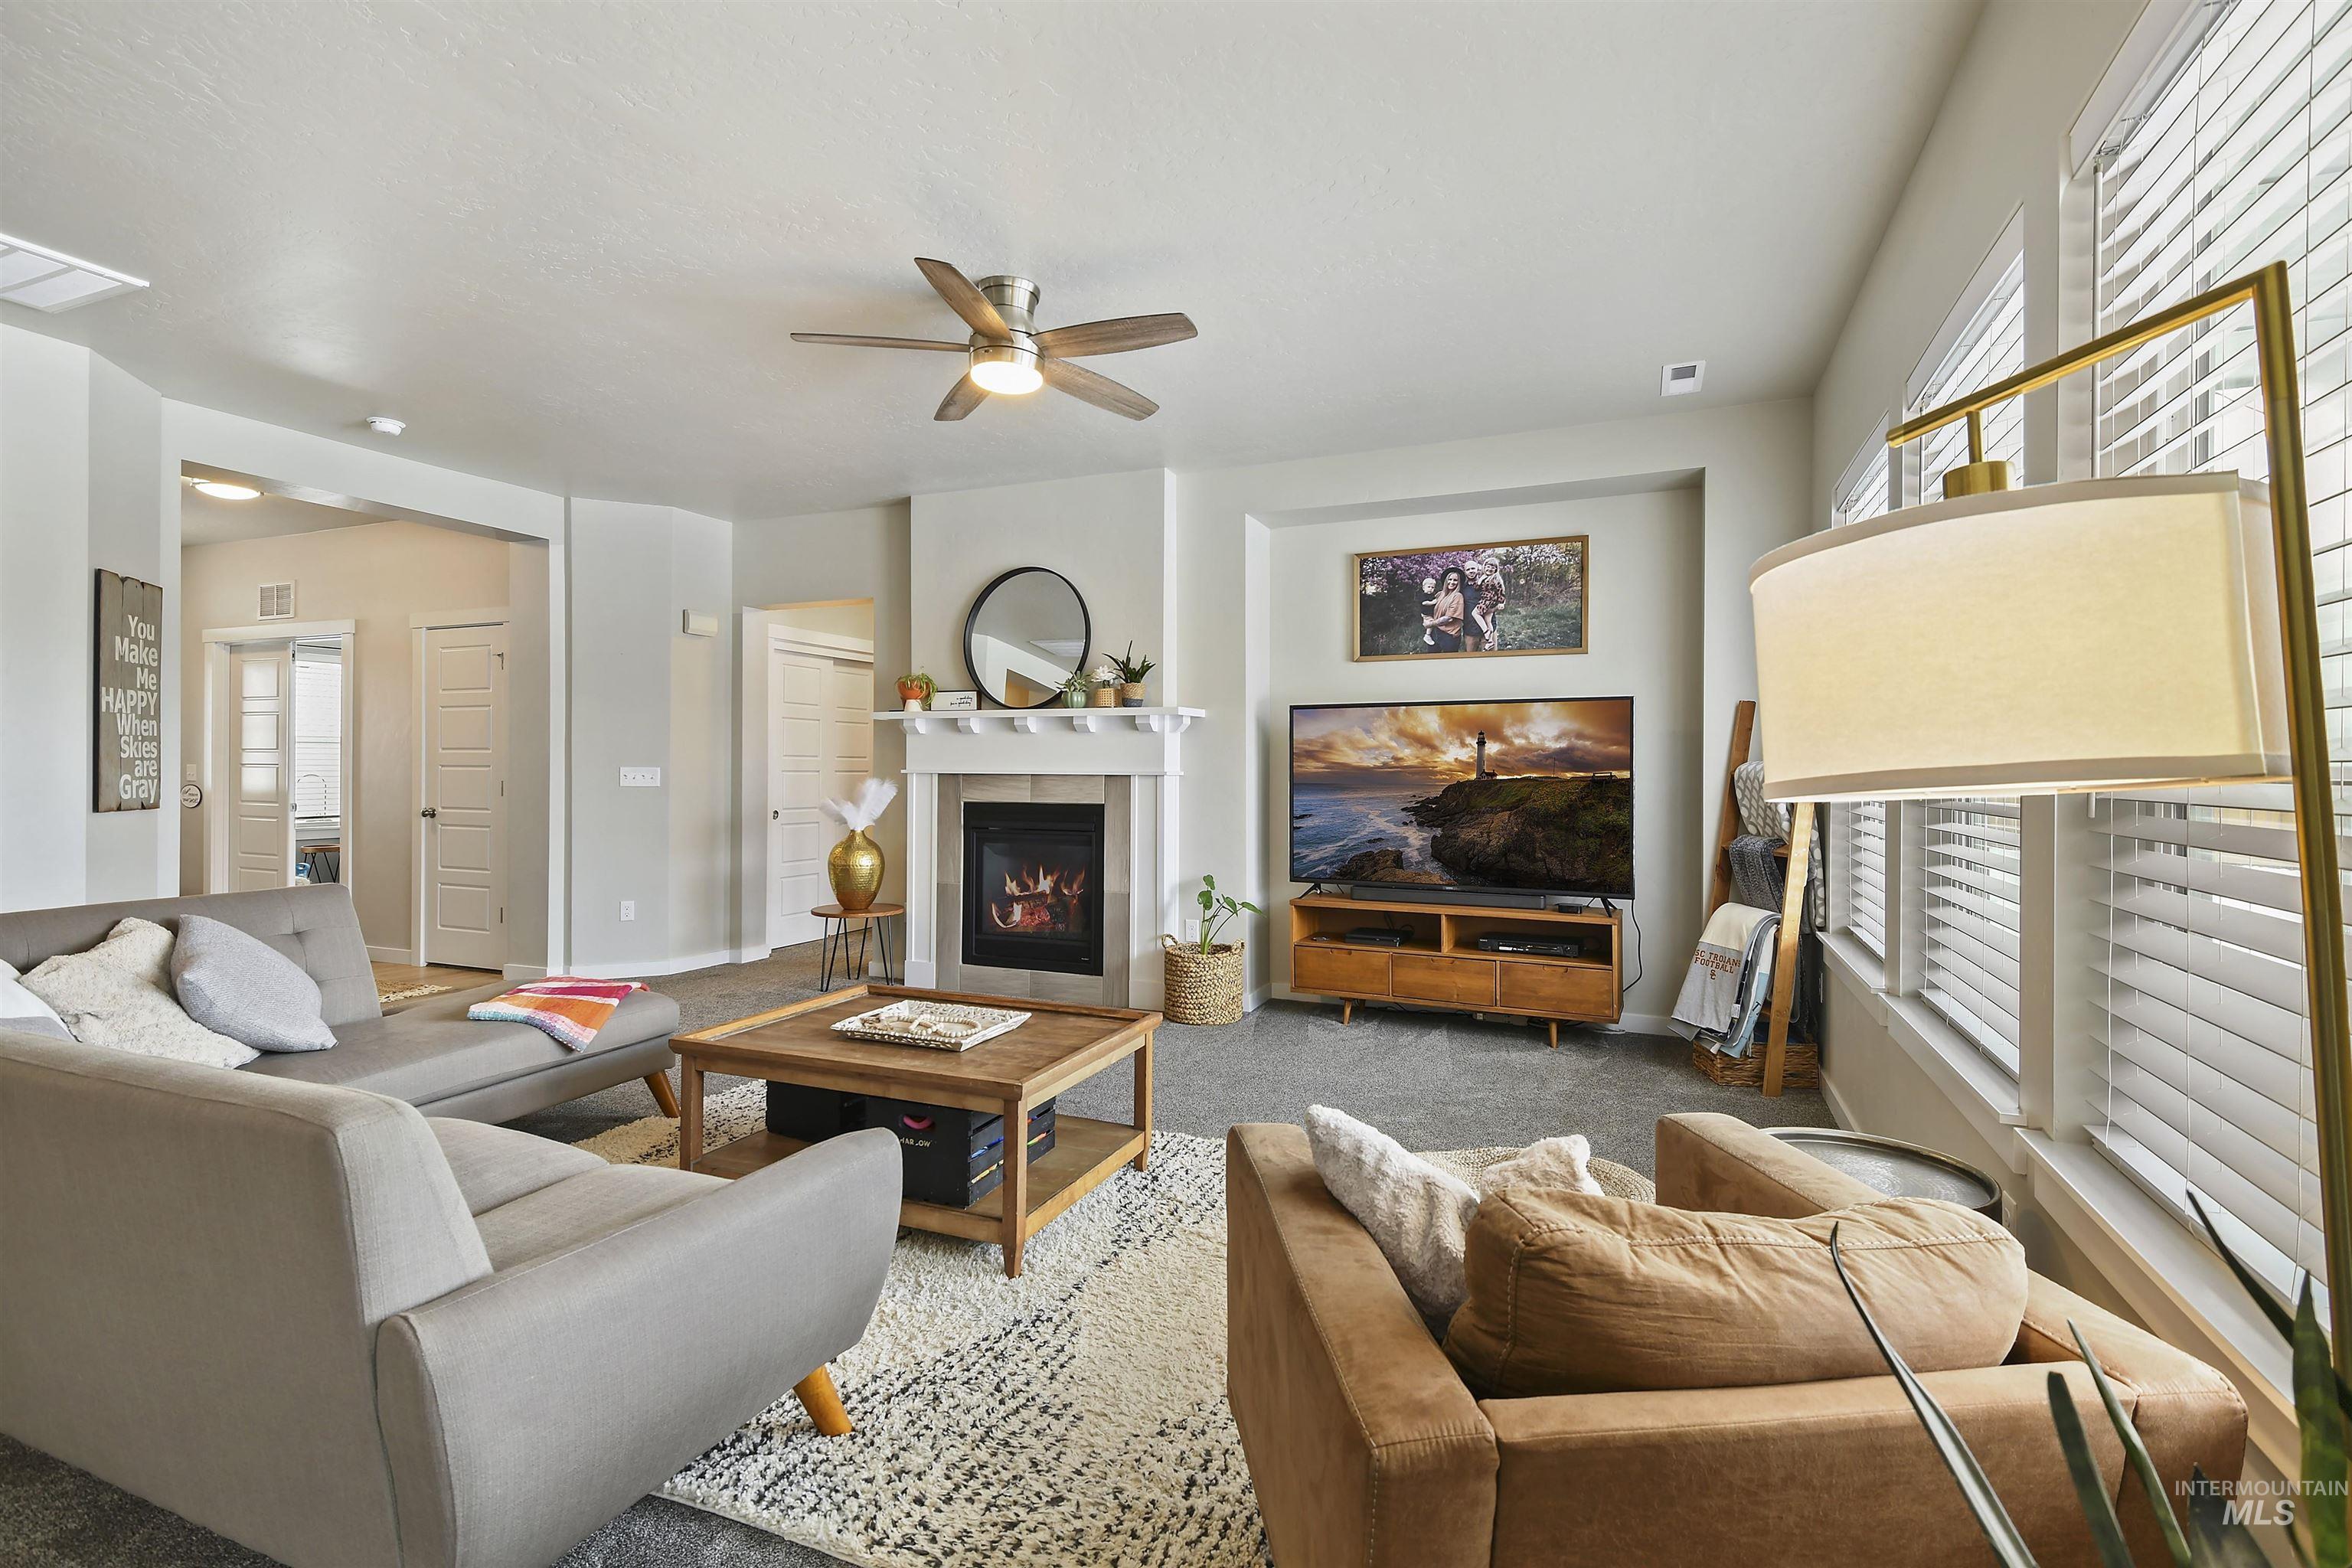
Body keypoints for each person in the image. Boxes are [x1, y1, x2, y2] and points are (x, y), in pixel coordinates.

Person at [1423, 567, 1466, 652]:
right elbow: (1427, 606)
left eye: (1455, 580)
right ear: (1446, 580)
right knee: (1433, 661)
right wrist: (1425, 618)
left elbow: (1449, 618)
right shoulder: (1440, 594)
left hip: (1449, 636)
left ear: (1459, 582)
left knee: (1449, 663)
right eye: (1450, 579)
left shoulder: (1458, 596)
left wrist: (1431, 624)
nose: (1452, 582)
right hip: (1435, 632)